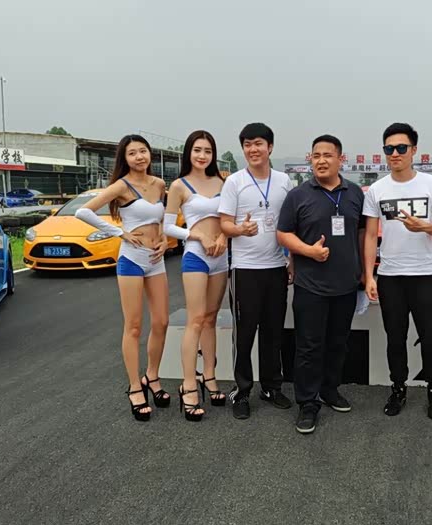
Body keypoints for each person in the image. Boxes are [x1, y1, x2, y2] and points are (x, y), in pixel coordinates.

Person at [75, 134, 169, 421]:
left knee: (162, 322)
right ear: (125, 159)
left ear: (149, 154)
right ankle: (134, 387)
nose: (139, 157)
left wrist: (164, 238)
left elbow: (161, 218)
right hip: (131, 260)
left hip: (156, 259)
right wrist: (120, 233)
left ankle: (152, 376)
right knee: (134, 326)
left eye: (143, 151)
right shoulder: (121, 186)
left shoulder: (159, 184)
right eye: (133, 153)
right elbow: (83, 211)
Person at [277, 134, 365, 434]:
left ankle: (329, 389)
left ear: (341, 159)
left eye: (328, 155)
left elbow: (362, 234)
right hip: (310, 285)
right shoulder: (298, 195)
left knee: (338, 343)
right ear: (310, 159)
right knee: (309, 346)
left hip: (346, 285)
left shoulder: (355, 193)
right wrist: (308, 251)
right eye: (316, 156)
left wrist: (364, 274)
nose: (321, 160)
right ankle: (307, 402)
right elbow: (283, 234)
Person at [363, 123, 432, 420]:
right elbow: (370, 235)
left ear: (414, 150)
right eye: (389, 149)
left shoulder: (431, 184)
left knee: (430, 337)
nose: (395, 153)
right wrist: (369, 275)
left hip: (424, 273)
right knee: (395, 338)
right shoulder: (377, 189)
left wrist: (425, 226)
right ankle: (398, 388)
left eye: (401, 148)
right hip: (390, 276)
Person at [218, 123, 294, 420]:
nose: (253, 149)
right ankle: (242, 391)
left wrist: (292, 260)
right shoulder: (234, 182)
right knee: (245, 334)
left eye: (258, 143)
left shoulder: (284, 181)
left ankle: (271, 387)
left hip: (276, 267)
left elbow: (291, 224)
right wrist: (240, 229)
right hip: (245, 270)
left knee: (273, 332)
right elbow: (224, 224)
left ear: (270, 147)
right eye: (247, 144)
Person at [163, 130, 228, 421]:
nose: (202, 156)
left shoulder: (223, 182)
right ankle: (189, 385)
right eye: (197, 150)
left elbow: (229, 219)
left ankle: (209, 376)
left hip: (221, 257)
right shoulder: (179, 185)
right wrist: (197, 235)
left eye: (208, 151)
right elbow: (167, 227)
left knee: (212, 318)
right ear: (188, 152)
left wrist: (224, 237)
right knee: (196, 319)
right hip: (196, 256)